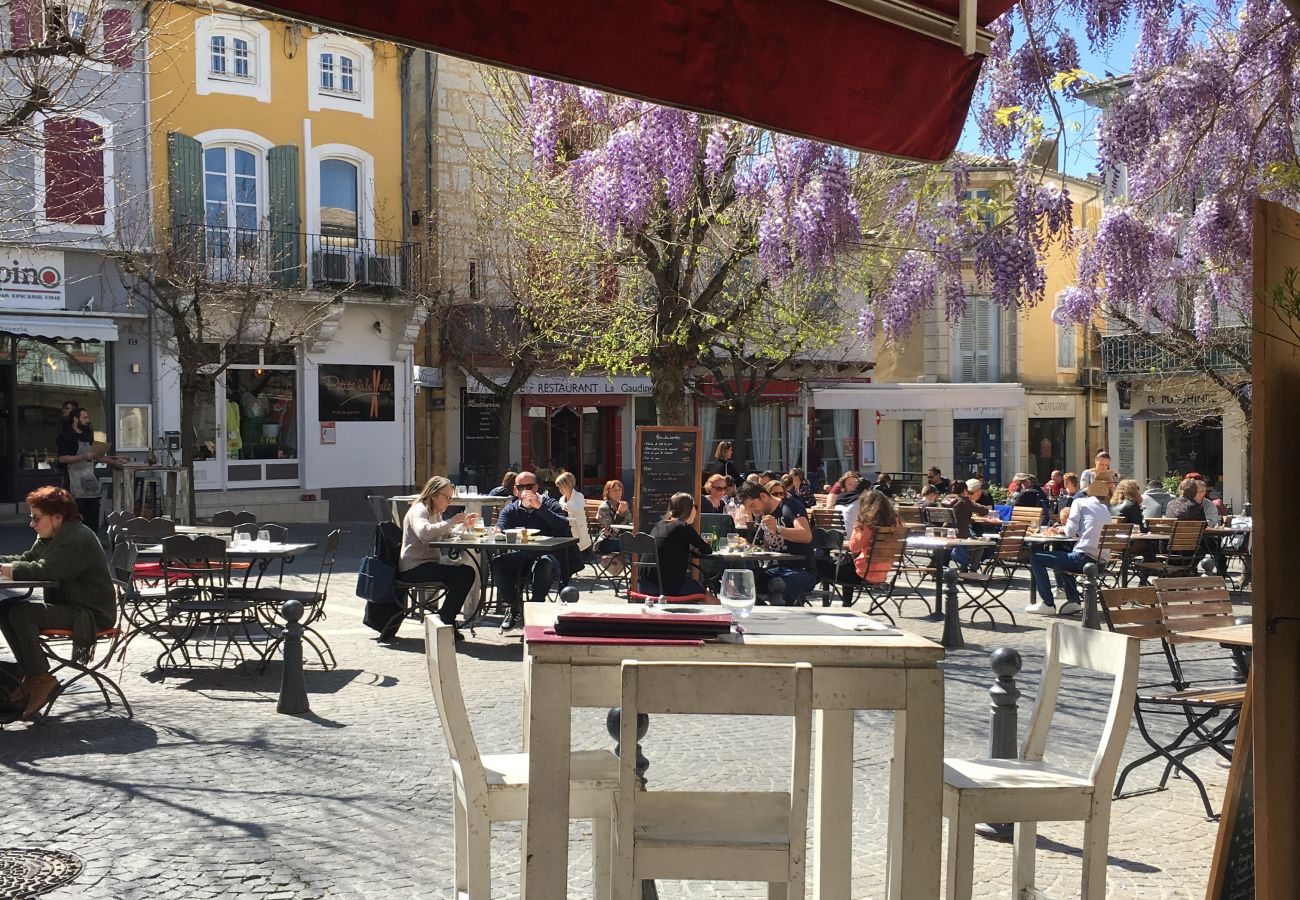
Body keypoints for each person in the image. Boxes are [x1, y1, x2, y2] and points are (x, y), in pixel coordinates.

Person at [0, 486, 117, 718]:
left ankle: (41, 677)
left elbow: (49, 570)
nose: (31, 524)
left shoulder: (77, 538)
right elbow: (26, 560)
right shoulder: (52, 536)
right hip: (71, 607)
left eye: (36, 518)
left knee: (22, 613)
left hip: (90, 614)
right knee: (5, 608)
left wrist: (8, 570)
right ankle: (31, 675)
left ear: (57, 517)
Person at [492, 471, 575, 631]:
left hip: (548, 557)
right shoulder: (511, 509)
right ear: (515, 490)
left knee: (544, 564)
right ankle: (516, 607)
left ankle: (536, 608)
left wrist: (540, 507)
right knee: (498, 564)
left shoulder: (549, 503)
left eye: (529, 486)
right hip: (522, 556)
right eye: (520, 487)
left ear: (536, 488)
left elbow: (563, 525)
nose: (525, 490)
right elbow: (500, 526)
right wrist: (497, 530)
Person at [398, 476, 479, 637]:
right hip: (414, 566)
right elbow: (424, 533)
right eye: (447, 497)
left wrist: (463, 526)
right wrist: (451, 521)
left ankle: (446, 618)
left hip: (428, 563)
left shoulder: (434, 512)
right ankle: (446, 620)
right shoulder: (419, 509)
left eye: (451, 498)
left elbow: (444, 535)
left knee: (464, 572)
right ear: (434, 494)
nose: (449, 502)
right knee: (465, 574)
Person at [1026, 477, 1114, 616]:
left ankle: (1048, 604)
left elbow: (1070, 531)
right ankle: (1073, 601)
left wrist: (1061, 529)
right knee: (1062, 557)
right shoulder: (1104, 508)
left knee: (1036, 558)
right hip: (1102, 563)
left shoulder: (1079, 502)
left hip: (1084, 560)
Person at [737, 481, 817, 606]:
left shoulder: (790, 506)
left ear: (763, 496)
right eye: (749, 508)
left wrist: (778, 529)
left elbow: (806, 535)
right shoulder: (762, 515)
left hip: (801, 569)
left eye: (753, 505)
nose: (753, 511)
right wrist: (749, 547)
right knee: (743, 584)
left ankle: (782, 619)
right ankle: (764, 618)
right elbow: (767, 547)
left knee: (777, 585)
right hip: (776, 568)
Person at [55, 407, 125, 532]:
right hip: (73, 481)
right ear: (75, 419)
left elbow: (96, 455)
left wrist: (112, 460)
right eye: (85, 418)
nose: (88, 420)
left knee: (92, 515)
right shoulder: (65, 436)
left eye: (88, 417)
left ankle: (92, 541)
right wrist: (83, 456)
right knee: (74, 517)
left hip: (89, 480)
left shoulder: (87, 435)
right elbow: (62, 459)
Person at [646, 492, 715, 599]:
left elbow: (669, 546)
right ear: (689, 509)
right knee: (710, 598)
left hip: (646, 583)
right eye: (695, 507)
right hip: (669, 587)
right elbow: (707, 550)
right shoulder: (683, 528)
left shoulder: (660, 524)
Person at [848, 490, 903, 583]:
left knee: (824, 566)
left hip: (863, 572)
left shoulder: (869, 523)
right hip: (883, 571)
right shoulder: (896, 521)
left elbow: (854, 547)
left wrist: (857, 526)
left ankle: (843, 598)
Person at [554, 471, 592, 554]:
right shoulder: (562, 499)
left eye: (561, 487)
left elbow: (577, 509)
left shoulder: (579, 496)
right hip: (567, 531)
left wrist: (563, 505)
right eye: (559, 487)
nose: (560, 490)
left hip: (578, 531)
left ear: (568, 485)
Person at [594, 479, 631, 553]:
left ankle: (635, 564)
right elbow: (612, 531)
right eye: (614, 490)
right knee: (631, 544)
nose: (618, 493)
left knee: (638, 542)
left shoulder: (623, 505)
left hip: (621, 538)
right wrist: (620, 513)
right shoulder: (604, 508)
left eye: (619, 490)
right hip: (605, 541)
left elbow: (629, 523)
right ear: (608, 493)